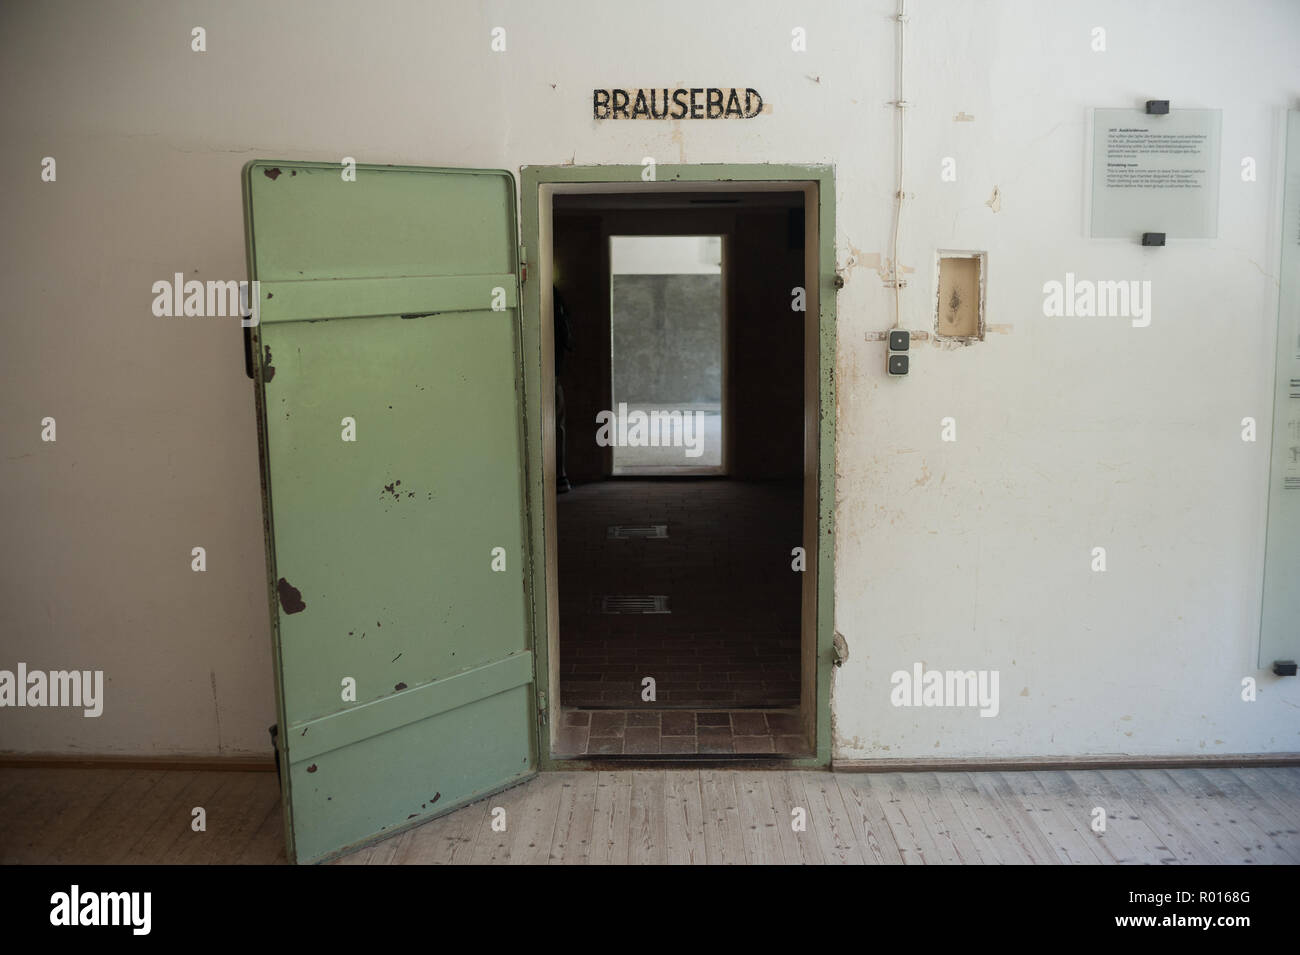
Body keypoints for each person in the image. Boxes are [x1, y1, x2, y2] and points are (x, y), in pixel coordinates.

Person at [554, 286, 574, 493]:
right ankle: (559, 476)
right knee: (557, 426)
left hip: (548, 372)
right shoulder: (555, 298)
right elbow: (568, 339)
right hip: (553, 373)